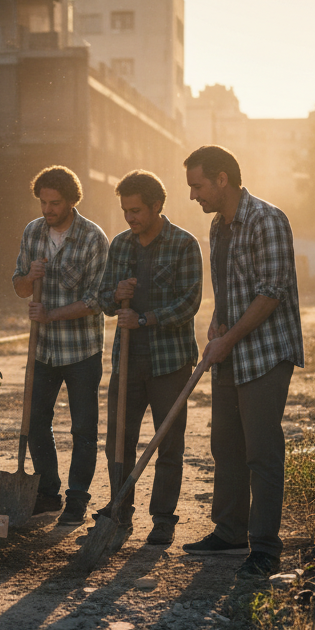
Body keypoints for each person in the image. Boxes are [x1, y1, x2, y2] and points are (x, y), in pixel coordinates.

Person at [181, 145, 305, 577]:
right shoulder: (218, 227)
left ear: (221, 179)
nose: (193, 195)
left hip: (265, 354)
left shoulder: (267, 220)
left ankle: (266, 547)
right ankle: (230, 531)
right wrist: (217, 325)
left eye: (197, 185)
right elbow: (229, 289)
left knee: (261, 451)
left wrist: (229, 338)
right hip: (230, 351)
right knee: (225, 446)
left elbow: (271, 292)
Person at [94, 170, 202, 545]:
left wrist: (144, 319)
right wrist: (115, 293)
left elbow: (189, 304)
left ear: (158, 206)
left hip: (170, 362)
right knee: (118, 441)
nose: (130, 218)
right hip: (127, 360)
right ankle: (120, 513)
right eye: (125, 210)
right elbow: (104, 299)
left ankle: (163, 519)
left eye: (137, 210)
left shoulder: (184, 245)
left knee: (169, 442)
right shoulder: (120, 245)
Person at [11, 165, 109, 525]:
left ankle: (77, 498)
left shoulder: (93, 238)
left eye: (55, 203)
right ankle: (47, 493)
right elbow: (19, 286)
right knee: (35, 421)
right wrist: (29, 277)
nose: (48, 210)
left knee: (83, 428)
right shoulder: (33, 233)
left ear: (71, 201)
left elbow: (97, 300)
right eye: (43, 202)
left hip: (81, 351)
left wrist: (51, 315)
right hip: (43, 351)